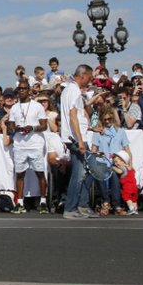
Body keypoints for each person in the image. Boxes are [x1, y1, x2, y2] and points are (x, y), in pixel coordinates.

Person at [59, 64, 96, 218]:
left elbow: (78, 116)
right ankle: (71, 208)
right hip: (76, 138)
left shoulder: (69, 89)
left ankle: (82, 204)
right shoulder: (73, 90)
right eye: (90, 77)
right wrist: (80, 141)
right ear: (83, 75)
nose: (90, 80)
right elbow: (73, 115)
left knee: (88, 171)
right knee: (80, 173)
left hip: (76, 137)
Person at [6, 81, 48, 214]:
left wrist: (33, 128)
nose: (22, 91)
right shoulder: (14, 108)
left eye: (24, 88)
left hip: (35, 144)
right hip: (20, 144)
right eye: (20, 89)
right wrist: (15, 128)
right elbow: (10, 126)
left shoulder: (37, 106)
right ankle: (19, 203)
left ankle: (43, 202)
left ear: (29, 90)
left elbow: (44, 125)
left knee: (40, 173)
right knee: (20, 174)